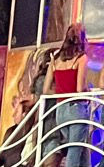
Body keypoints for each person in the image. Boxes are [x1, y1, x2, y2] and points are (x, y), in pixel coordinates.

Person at [41, 25, 89, 167]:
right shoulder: (81, 58)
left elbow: (45, 90)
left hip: (60, 110)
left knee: (80, 146)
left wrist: (62, 93)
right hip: (76, 108)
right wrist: (90, 93)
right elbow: (80, 89)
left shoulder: (55, 59)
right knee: (74, 151)